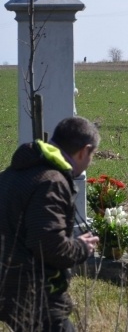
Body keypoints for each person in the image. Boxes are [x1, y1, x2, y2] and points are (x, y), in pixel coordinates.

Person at [0, 116, 101, 331]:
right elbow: (48, 246)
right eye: (91, 155)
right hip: (35, 296)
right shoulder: (51, 182)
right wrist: (81, 247)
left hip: (8, 289)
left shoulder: (11, 175)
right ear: (84, 150)